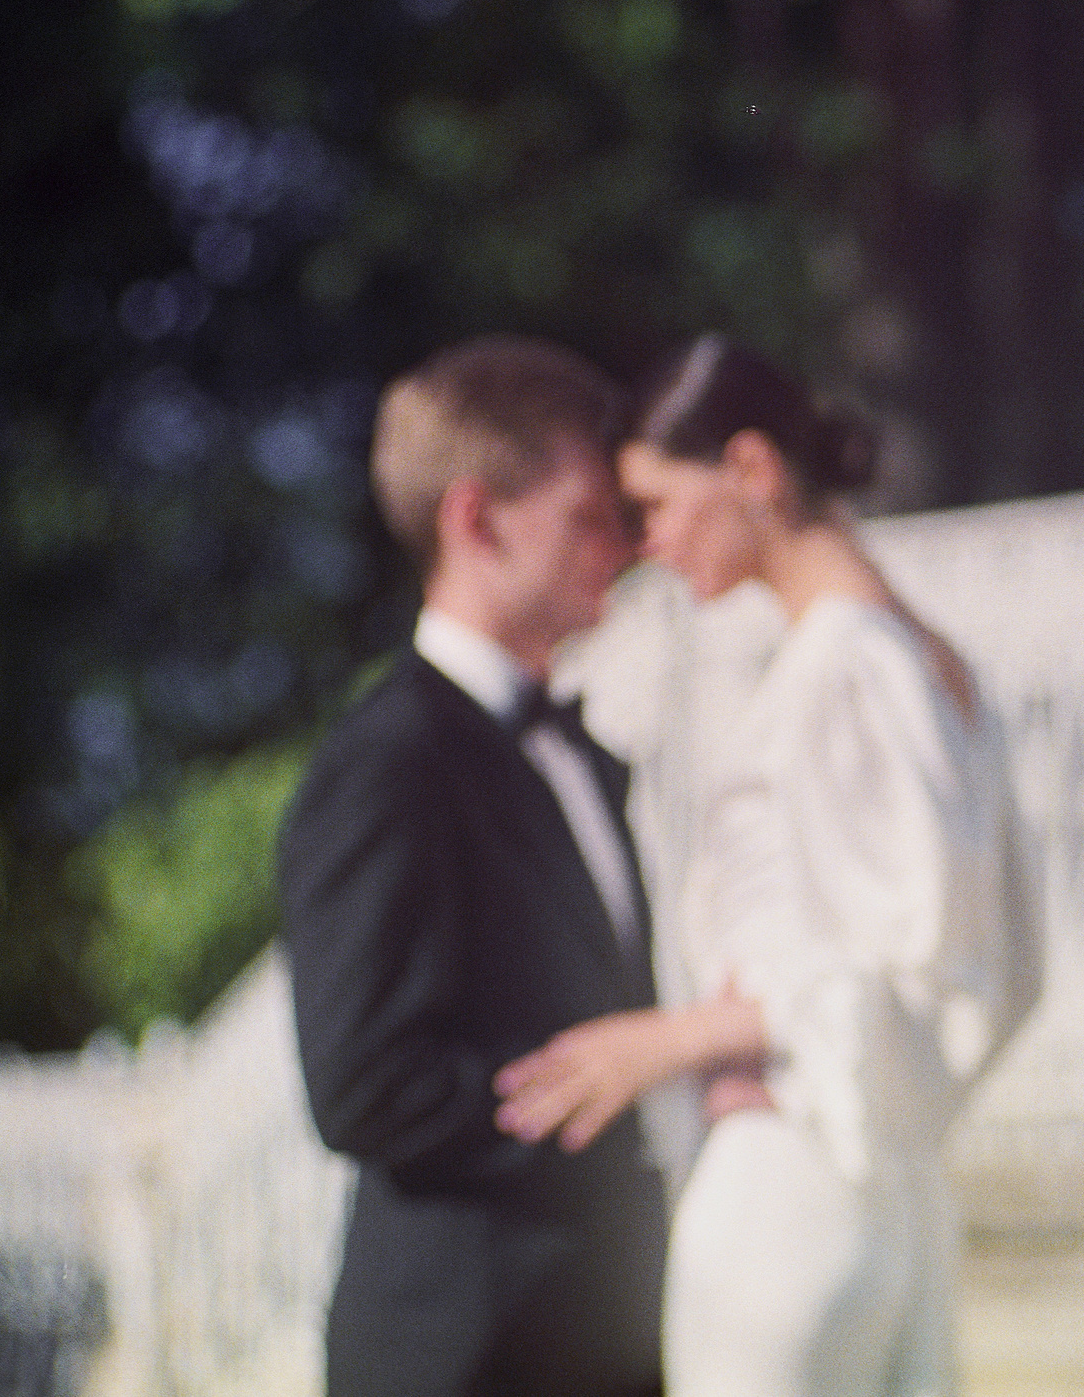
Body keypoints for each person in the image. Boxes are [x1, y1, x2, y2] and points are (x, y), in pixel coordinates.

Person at [492, 335, 1045, 1397]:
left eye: (656, 504)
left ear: (750, 468)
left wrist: (668, 1036)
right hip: (881, 1184)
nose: (646, 543)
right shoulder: (914, 658)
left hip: (795, 1174)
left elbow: (922, 962)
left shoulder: (847, 664)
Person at [276, 336, 667, 1397]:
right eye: (588, 516)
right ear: (474, 517)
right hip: (461, 1352)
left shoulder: (581, 752)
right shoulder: (387, 759)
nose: (622, 549)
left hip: (602, 1338)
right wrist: (600, 1090)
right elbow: (366, 1084)